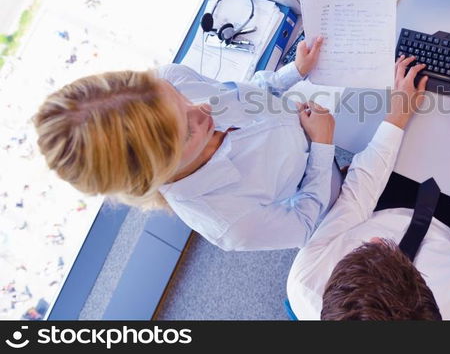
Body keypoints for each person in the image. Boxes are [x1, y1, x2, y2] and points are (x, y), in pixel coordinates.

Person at [33, 37, 341, 251]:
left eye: (179, 98)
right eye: (186, 133)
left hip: (320, 125)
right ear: (158, 172)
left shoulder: (174, 79)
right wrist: (322, 146)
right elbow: (303, 224)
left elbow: (246, 94)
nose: (203, 108)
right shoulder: (229, 222)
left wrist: (293, 72)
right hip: (329, 195)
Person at [286, 59, 450, 320]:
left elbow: (354, 201)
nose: (374, 239)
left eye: (359, 253)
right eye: (388, 252)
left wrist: (398, 114)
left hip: (390, 208)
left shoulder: (306, 283)